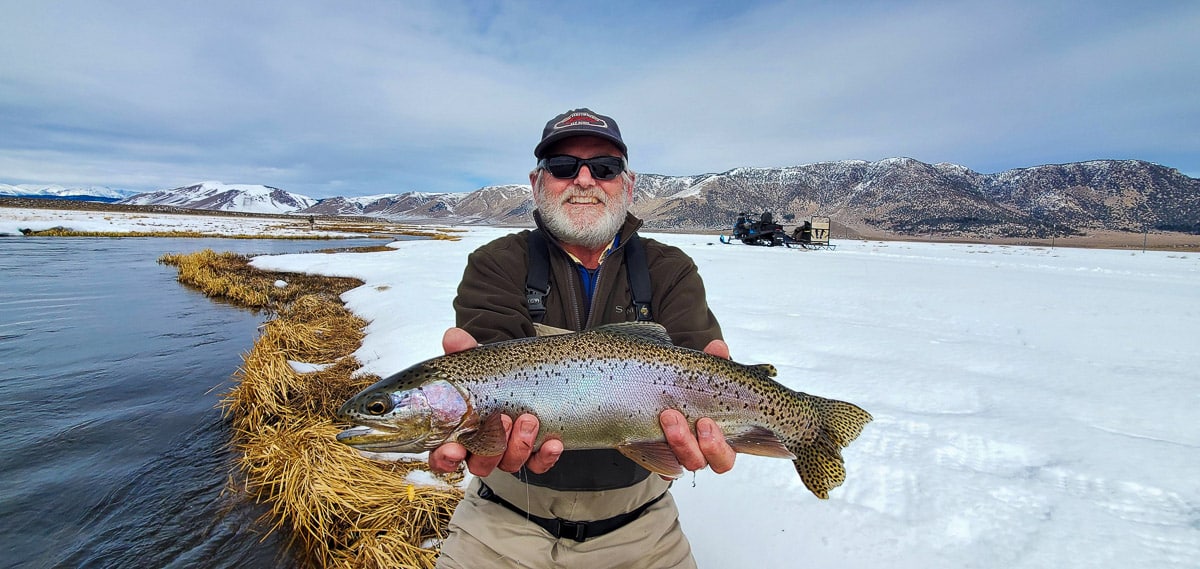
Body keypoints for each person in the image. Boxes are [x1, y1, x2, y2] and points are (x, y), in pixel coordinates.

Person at [431, 108, 737, 569]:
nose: (585, 179)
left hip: (643, 528)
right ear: (537, 183)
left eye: (605, 167)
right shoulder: (497, 262)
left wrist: (725, 417)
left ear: (627, 185)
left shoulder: (669, 269)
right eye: (563, 167)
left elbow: (697, 363)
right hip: (503, 523)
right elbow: (490, 368)